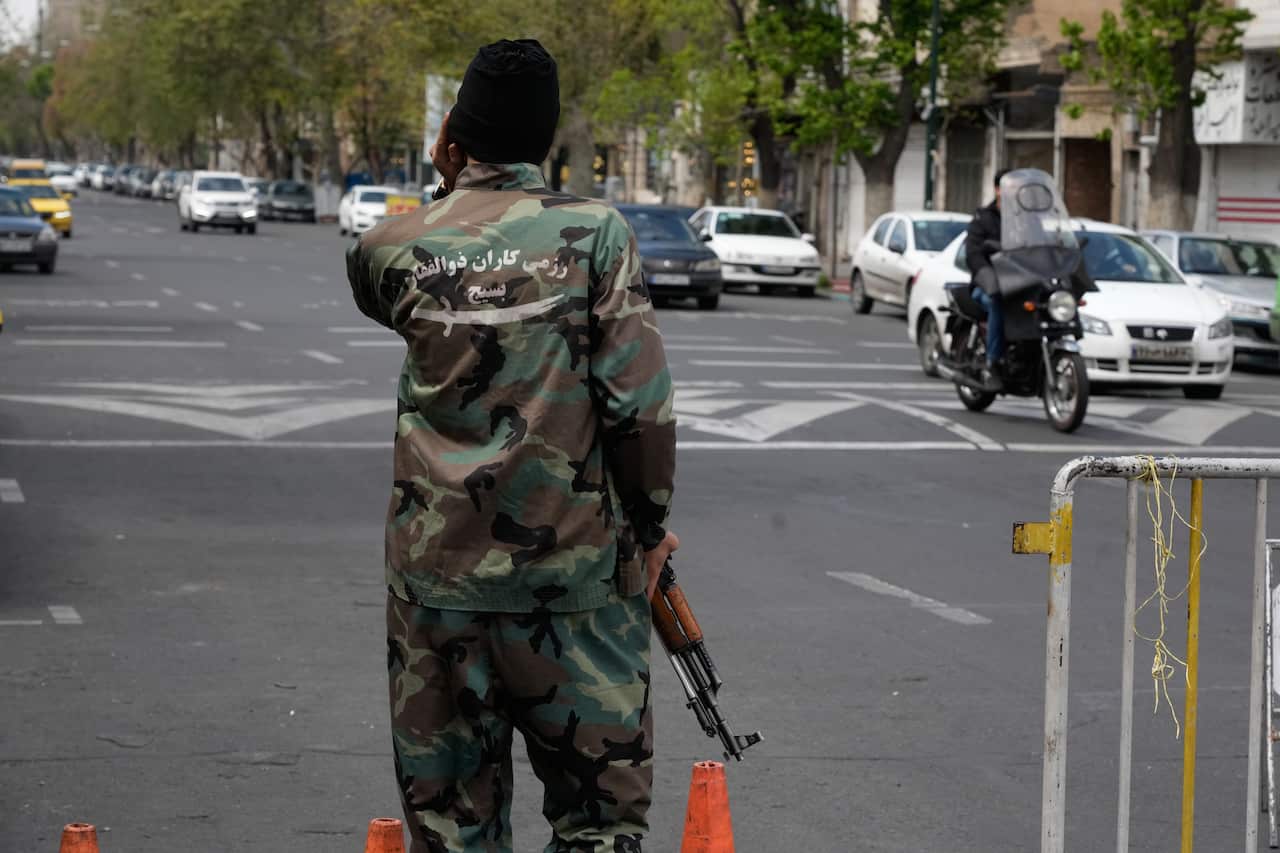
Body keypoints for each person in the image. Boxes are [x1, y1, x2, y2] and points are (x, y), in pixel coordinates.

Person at [346, 39, 679, 853]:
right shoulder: (597, 236)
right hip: (576, 588)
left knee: (450, 827)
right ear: (548, 142)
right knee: (599, 825)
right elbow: (640, 409)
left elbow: (385, 293)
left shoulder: (392, 244)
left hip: (437, 587)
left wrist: (448, 190)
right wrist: (646, 526)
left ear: (452, 140)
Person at [965, 169, 1009, 390]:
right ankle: (992, 362)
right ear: (997, 189)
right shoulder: (983, 217)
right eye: (1007, 187)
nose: (1011, 192)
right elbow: (973, 254)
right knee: (997, 302)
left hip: (1020, 283)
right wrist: (988, 278)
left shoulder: (1026, 220)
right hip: (987, 285)